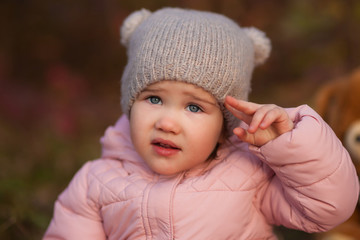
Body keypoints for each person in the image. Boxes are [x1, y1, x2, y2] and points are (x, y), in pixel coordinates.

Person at [43, 7, 359, 240]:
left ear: (225, 120)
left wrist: (291, 146)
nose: (167, 122)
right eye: (153, 99)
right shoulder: (94, 183)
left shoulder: (249, 173)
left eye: (194, 106)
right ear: (130, 103)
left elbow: (331, 208)